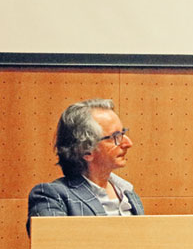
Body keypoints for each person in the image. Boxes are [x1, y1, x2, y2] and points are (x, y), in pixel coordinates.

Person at [27, 99, 143, 234]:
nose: (128, 143)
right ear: (86, 150)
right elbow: (53, 247)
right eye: (115, 136)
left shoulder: (128, 192)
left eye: (123, 133)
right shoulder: (52, 196)